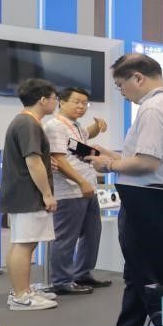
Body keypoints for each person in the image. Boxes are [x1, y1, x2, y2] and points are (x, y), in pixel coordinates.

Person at [86, 54, 163, 326]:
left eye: (120, 85)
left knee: (147, 273)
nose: (121, 93)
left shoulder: (153, 109)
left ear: (138, 78)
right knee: (140, 270)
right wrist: (111, 155)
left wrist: (108, 165)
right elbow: (151, 158)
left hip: (147, 201)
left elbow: (147, 163)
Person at [43, 86, 111, 295]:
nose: (81, 106)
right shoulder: (55, 126)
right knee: (66, 238)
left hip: (87, 189)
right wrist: (81, 182)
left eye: (84, 103)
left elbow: (80, 143)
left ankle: (82, 274)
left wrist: (97, 126)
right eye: (76, 102)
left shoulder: (75, 126)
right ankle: (61, 281)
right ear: (62, 102)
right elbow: (59, 159)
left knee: (92, 234)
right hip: (70, 190)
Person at [2, 78, 60, 311]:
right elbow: (33, 161)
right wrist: (47, 194)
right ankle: (21, 296)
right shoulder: (28, 124)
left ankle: (20, 290)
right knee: (24, 245)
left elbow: (35, 159)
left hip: (21, 193)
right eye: (55, 98)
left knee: (22, 243)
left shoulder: (24, 122)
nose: (56, 102)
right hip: (28, 194)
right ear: (43, 99)